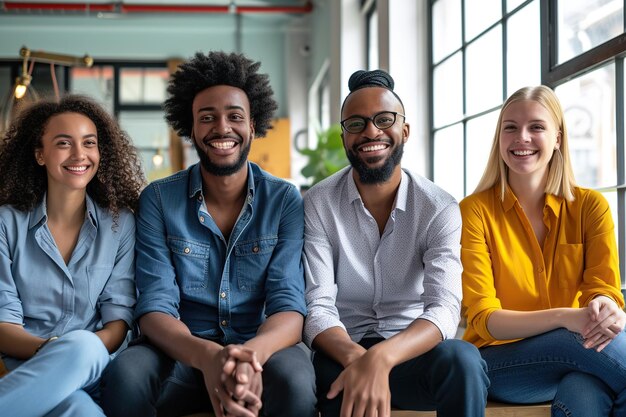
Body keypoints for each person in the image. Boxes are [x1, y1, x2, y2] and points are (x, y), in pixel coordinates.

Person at [100, 51, 316, 417]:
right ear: (191, 126)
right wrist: (209, 356)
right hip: (179, 353)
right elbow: (154, 307)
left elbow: (288, 305)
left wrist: (250, 356)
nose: (222, 128)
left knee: (296, 385)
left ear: (253, 125)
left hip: (261, 351)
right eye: (207, 117)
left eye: (235, 116)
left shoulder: (283, 199)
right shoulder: (158, 199)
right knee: (125, 376)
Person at [303, 69, 489, 417]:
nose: (371, 131)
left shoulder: (438, 207)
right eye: (356, 124)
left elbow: (444, 308)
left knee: (463, 361)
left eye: (383, 119)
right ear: (345, 137)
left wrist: (382, 357)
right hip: (346, 352)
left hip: (410, 353)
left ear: (404, 130)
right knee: (328, 379)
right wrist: (359, 358)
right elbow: (318, 307)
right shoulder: (318, 202)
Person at [460, 85, 626, 416]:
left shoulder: (590, 207)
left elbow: (603, 289)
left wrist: (606, 307)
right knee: (577, 340)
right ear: (499, 139)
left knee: (585, 395)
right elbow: (484, 318)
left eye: (536, 127)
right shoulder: (473, 211)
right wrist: (567, 318)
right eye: (510, 127)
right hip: (500, 364)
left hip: (577, 358)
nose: (522, 137)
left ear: (558, 138)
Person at [0, 94, 144, 417]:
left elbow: (117, 325)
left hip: (93, 366)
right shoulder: (5, 223)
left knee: (85, 345)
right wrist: (54, 351)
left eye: (89, 143)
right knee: (83, 413)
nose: (80, 154)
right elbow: (3, 325)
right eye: (64, 143)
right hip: (29, 371)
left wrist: (75, 350)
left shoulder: (120, 224)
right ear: (40, 154)